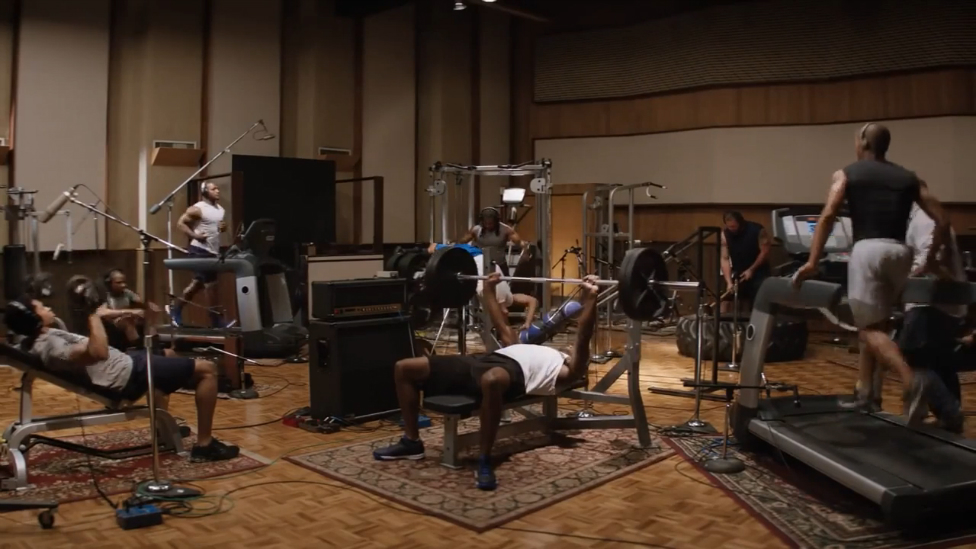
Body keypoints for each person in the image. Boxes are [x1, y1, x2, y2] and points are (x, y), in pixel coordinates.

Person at [372, 273, 600, 490]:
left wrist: (591, 298)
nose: (570, 347)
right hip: (480, 361)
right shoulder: (521, 345)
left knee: (492, 379)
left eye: (575, 350)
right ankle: (412, 442)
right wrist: (489, 289)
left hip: (513, 373)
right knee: (405, 368)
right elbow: (500, 322)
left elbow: (583, 335)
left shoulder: (568, 369)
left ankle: (484, 458)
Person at [793, 122, 951, 423]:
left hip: (868, 251)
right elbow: (943, 221)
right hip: (901, 253)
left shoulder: (847, 173)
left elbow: (828, 215)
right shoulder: (909, 177)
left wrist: (812, 262)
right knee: (880, 326)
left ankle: (912, 381)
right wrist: (930, 259)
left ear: (863, 142)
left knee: (867, 329)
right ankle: (867, 394)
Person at [4, 296, 240, 461]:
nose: (48, 307)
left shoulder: (38, 338)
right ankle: (205, 445)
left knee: (167, 354)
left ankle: (162, 431)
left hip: (124, 364)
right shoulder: (51, 346)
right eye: (41, 307)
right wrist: (94, 317)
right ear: (33, 319)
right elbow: (98, 352)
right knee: (208, 369)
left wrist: (109, 316)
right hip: (126, 375)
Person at [896, 204, 967, 432]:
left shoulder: (924, 218)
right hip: (942, 304)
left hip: (928, 302)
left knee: (914, 358)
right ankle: (950, 420)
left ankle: (950, 412)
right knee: (940, 362)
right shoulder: (921, 217)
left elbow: (933, 258)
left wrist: (911, 276)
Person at [427, 242, 539, 330]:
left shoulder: (494, 300)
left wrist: (527, 323)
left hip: (477, 259)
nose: (505, 313)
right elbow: (532, 301)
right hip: (479, 258)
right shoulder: (506, 299)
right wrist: (527, 323)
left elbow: (532, 301)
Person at [171, 181, 228, 328]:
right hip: (199, 251)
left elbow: (215, 227)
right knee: (211, 285)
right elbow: (180, 223)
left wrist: (223, 228)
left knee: (196, 285)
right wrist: (195, 236)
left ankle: (176, 308)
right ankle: (215, 319)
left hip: (213, 251)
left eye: (218, 188)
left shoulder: (221, 210)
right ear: (205, 192)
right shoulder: (198, 209)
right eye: (213, 189)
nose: (217, 191)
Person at [720, 211, 771, 314]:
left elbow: (765, 252)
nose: (731, 229)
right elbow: (724, 258)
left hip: (758, 271)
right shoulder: (725, 234)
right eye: (729, 227)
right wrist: (729, 282)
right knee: (725, 299)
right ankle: (723, 322)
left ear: (740, 223)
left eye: (734, 226)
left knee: (757, 298)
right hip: (738, 271)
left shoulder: (757, 230)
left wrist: (751, 270)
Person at [102, 268, 163, 350]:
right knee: (128, 321)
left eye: (124, 282)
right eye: (119, 283)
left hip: (128, 318)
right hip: (113, 322)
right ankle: (138, 347)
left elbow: (140, 301)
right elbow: (104, 313)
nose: (123, 285)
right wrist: (131, 311)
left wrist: (149, 305)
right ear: (109, 284)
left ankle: (155, 346)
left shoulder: (127, 293)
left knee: (148, 316)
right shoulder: (104, 295)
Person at [458, 207, 523, 276]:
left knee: (505, 282)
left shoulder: (506, 230)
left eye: (491, 223)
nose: (488, 225)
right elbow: (462, 242)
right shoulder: (476, 230)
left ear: (496, 221)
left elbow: (520, 242)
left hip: (499, 264)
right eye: (486, 223)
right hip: (481, 264)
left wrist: (525, 249)